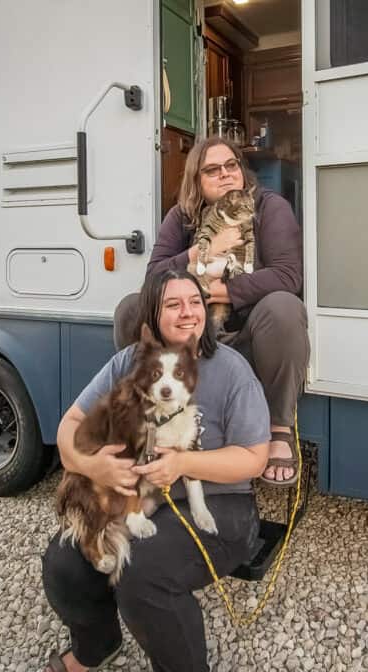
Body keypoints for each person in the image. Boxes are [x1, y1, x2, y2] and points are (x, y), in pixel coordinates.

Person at [37, 269, 270, 672]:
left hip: (217, 502)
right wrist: (94, 469)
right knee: (64, 561)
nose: (188, 311)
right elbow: (68, 429)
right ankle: (96, 646)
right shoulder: (127, 362)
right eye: (173, 304)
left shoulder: (230, 370)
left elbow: (253, 460)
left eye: (195, 301)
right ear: (152, 315)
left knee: (144, 576)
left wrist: (185, 462)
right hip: (138, 494)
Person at [114, 136, 308, 486]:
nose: (225, 174)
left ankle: (279, 427)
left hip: (248, 332)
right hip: (191, 336)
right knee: (131, 308)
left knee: (284, 307)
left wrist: (222, 291)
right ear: (197, 182)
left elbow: (287, 275)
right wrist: (197, 253)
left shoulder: (269, 207)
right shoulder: (182, 216)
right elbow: (153, 278)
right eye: (212, 170)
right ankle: (145, 416)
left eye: (231, 165)